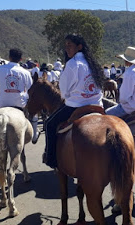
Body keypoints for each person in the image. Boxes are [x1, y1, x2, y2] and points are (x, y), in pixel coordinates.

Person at [43, 33, 105, 168]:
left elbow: (64, 90)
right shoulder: (93, 63)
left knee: (49, 124)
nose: (67, 48)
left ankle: (51, 158)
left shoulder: (72, 64)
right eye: (66, 46)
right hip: (96, 105)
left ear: (79, 46)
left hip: (76, 106)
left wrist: (69, 96)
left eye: (69, 45)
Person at [0, 48, 39, 143]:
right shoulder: (25, 72)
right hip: (20, 103)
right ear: (21, 59)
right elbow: (30, 90)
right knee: (34, 116)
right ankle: (34, 135)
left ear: (9, 57)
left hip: (2, 103)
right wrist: (25, 98)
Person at [105, 46, 135, 118]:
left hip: (134, 108)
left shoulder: (130, 72)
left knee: (105, 114)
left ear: (127, 60)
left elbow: (124, 98)